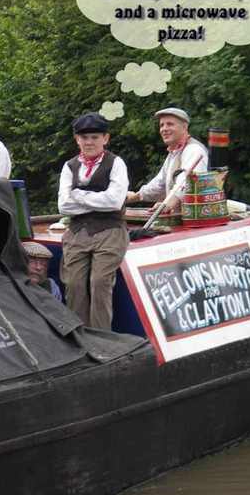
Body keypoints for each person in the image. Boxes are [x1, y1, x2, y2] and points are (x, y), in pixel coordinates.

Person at [58, 112, 129, 330]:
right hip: (77, 232)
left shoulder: (116, 163)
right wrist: (98, 199)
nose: (89, 142)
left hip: (110, 231)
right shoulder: (69, 166)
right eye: (84, 137)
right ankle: (81, 337)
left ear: (105, 138)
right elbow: (64, 206)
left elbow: (115, 202)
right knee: (74, 285)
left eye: (95, 137)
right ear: (77, 139)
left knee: (100, 283)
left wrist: (79, 194)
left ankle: (102, 337)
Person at [127, 107, 208, 213]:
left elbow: (186, 183)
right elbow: (159, 185)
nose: (164, 129)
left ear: (184, 127)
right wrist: (134, 197)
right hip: (182, 218)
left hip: (196, 219)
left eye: (170, 124)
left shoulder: (193, 149)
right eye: (162, 125)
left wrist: (167, 204)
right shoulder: (174, 152)